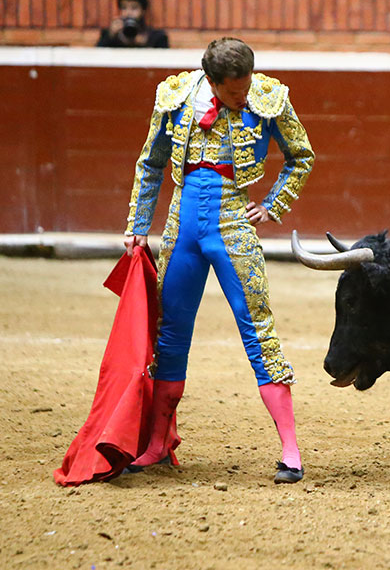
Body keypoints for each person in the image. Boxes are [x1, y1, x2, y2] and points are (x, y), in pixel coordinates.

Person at [122, 38, 315, 483]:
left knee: (258, 328)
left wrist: (273, 204)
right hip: (182, 224)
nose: (242, 97)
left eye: (245, 87)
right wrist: (137, 224)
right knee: (169, 334)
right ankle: (157, 444)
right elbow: (150, 164)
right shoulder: (175, 96)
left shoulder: (268, 97)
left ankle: (290, 449)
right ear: (211, 81)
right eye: (232, 93)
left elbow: (301, 157)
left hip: (232, 220)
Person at [96, 0, 169, 48]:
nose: (128, 13)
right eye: (124, 8)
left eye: (134, 8)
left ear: (143, 11)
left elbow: (164, 59)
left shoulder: (156, 36)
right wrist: (110, 35)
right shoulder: (112, 34)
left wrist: (147, 44)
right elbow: (97, 56)